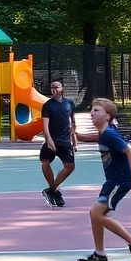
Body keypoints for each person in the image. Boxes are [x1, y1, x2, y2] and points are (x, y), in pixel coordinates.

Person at [74, 98, 131, 261]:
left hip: (120, 181)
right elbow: (96, 138)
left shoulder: (108, 134)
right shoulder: (105, 132)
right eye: (91, 110)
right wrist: (75, 135)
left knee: (97, 213)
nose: (92, 113)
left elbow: (129, 150)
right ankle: (100, 255)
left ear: (108, 116)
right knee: (94, 214)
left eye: (97, 110)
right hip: (112, 181)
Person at [39, 80, 78, 208]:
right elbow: (45, 126)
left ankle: (52, 190)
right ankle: (53, 190)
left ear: (62, 88)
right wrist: (48, 139)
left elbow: (72, 122)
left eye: (56, 87)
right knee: (45, 162)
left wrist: (74, 139)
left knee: (70, 166)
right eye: (52, 88)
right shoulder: (48, 105)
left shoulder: (69, 103)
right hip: (52, 140)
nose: (54, 89)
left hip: (65, 141)